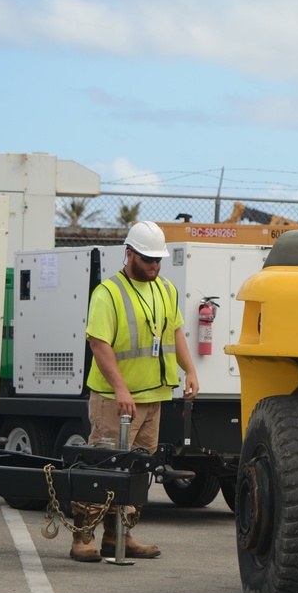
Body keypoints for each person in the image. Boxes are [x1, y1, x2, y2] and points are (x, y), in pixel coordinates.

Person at [70, 221, 199, 562]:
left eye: (158, 260)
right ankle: (83, 537)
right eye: (147, 259)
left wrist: (190, 370)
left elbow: (176, 333)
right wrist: (121, 389)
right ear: (129, 254)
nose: (154, 266)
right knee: (102, 469)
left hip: (154, 397)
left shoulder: (166, 290)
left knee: (138, 472)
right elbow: (99, 343)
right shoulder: (108, 293)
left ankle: (118, 536)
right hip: (116, 401)